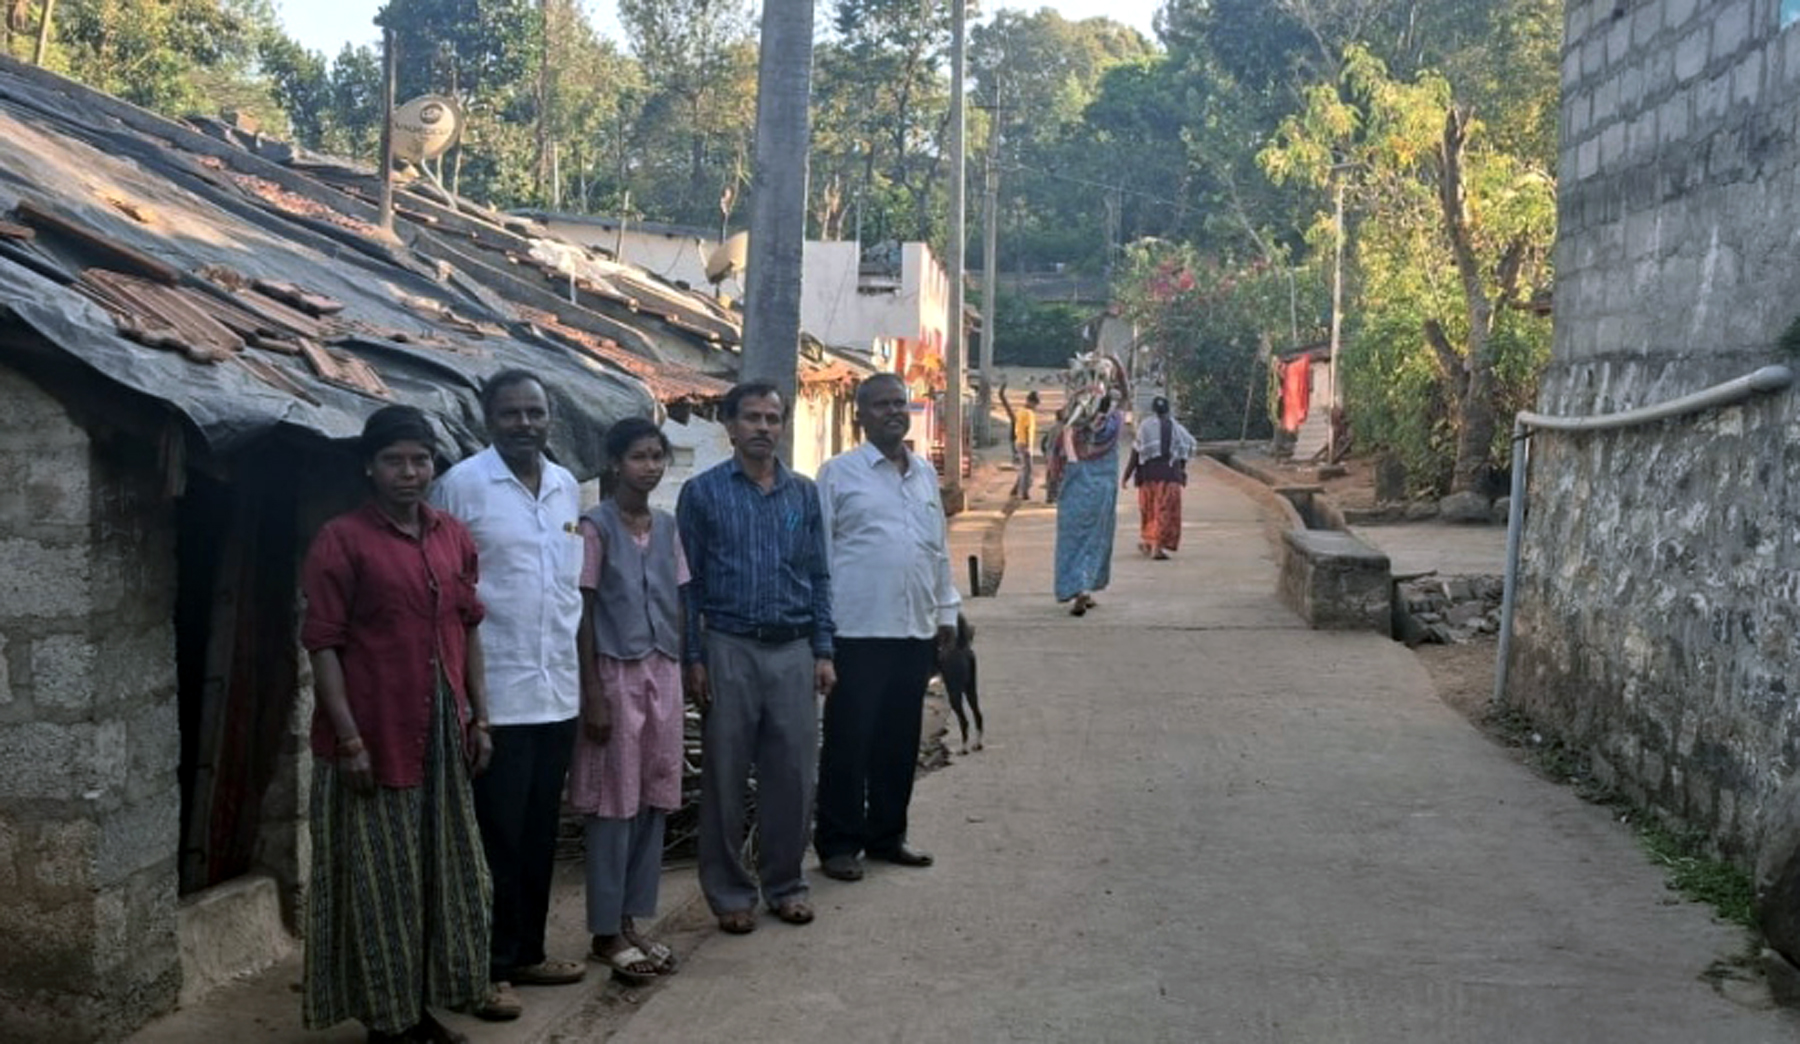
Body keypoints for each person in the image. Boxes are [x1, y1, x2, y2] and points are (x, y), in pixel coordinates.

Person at [300, 405, 492, 1044]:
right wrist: (349, 738)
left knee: (442, 876)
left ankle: (420, 1008)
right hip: (374, 737)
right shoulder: (342, 539)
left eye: (420, 460)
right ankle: (390, 1022)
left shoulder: (451, 536)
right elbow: (323, 644)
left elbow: (467, 630)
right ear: (369, 467)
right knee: (384, 884)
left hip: (441, 731)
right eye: (394, 461)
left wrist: (480, 718)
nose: (409, 472)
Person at [430, 370, 585, 1020]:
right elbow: (444, 598)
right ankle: (485, 968)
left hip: (558, 694)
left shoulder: (566, 486)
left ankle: (527, 950)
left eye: (536, 412)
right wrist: (468, 706)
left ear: (550, 419)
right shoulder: (461, 487)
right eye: (512, 413)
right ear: (489, 419)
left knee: (539, 833)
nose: (526, 423)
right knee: (492, 837)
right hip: (496, 697)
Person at [676, 381, 836, 934]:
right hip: (729, 646)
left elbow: (818, 575)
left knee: (792, 775)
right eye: (752, 418)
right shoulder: (701, 493)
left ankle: (786, 885)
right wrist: (693, 658)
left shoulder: (803, 494)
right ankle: (729, 894)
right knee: (724, 775)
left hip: (792, 649)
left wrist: (824, 649)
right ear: (729, 425)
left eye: (773, 418)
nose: (763, 428)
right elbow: (688, 585)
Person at [814, 374, 961, 883]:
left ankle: (887, 836)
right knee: (848, 742)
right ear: (861, 414)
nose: (894, 412)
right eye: (882, 405)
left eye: (900, 403)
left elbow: (937, 550)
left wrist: (947, 613)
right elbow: (820, 558)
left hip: (914, 632)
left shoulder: (923, 474)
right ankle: (838, 844)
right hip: (856, 631)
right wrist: (821, 632)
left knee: (899, 743)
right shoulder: (837, 475)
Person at [570, 417, 686, 984]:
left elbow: (677, 598)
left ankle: (633, 919)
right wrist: (591, 688)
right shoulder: (594, 527)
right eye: (639, 457)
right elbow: (583, 609)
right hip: (613, 672)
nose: (651, 466)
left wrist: (687, 665)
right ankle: (605, 930)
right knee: (613, 802)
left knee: (654, 798)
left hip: (662, 669)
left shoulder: (666, 526)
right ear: (615, 463)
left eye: (657, 456)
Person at [1055, 395, 1124, 616]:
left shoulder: (1072, 434)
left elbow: (1057, 463)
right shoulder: (1112, 432)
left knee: (1073, 545)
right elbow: (1123, 401)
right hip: (1101, 496)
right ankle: (1086, 587)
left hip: (1075, 496)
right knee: (1095, 543)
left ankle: (1077, 589)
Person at [1123, 396, 1197, 560]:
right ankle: (1155, 546)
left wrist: (1126, 476)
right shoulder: (1177, 428)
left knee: (1149, 511)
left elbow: (1136, 453)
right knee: (1165, 511)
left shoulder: (1145, 426)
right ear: (1168, 410)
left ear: (1153, 410)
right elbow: (1187, 449)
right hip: (1170, 477)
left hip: (1148, 477)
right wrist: (1182, 472)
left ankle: (1150, 542)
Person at [1013, 390, 1040, 500]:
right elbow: (1028, 430)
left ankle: (1015, 489)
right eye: (1035, 404)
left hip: (1019, 441)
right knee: (1027, 470)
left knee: (1023, 468)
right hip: (1025, 443)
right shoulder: (1029, 414)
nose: (1035, 406)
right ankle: (1024, 492)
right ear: (1031, 402)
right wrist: (1028, 446)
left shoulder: (1020, 411)